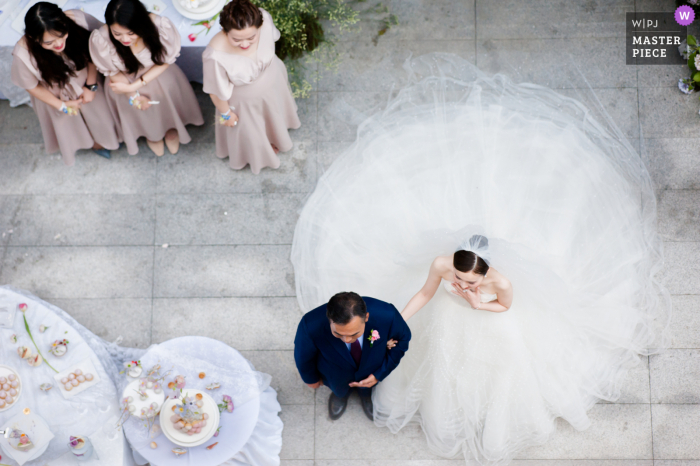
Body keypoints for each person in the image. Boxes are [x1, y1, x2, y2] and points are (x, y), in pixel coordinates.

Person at [290, 54, 670, 463]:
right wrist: (400, 317)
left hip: (487, 318)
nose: (462, 281)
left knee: (501, 362)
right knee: (431, 357)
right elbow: (425, 293)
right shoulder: (441, 264)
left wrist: (477, 302)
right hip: (445, 315)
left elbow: (504, 306)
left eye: (470, 279)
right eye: (460, 275)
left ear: (485, 272)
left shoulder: (500, 282)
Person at [89, 0, 203, 156]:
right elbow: (113, 72)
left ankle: (171, 129)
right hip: (123, 81)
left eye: (131, 33)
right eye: (117, 33)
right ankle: (153, 136)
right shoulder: (102, 39)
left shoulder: (159, 26)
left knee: (166, 104)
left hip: (157, 74)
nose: (125, 39)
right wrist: (134, 96)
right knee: (141, 111)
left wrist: (135, 86)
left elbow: (164, 62)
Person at [11, 2, 120, 165]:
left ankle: (106, 139)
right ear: (34, 38)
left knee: (100, 114)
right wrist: (61, 105)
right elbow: (31, 86)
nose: (58, 44)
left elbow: (94, 49)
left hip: (85, 77)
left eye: (61, 35)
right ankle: (90, 144)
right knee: (69, 124)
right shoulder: (23, 53)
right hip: (53, 92)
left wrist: (91, 85)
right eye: (48, 43)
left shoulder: (78, 20)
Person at [202, 0, 301, 173]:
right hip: (244, 101)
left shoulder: (265, 18)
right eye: (237, 39)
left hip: (273, 79)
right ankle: (260, 151)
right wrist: (226, 115)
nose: (245, 44)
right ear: (225, 31)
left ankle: (275, 134)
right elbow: (215, 91)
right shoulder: (215, 56)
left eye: (251, 37)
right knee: (251, 130)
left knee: (275, 114)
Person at [294, 292, 411, 421]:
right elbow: (303, 357)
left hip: (371, 369)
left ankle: (366, 395)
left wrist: (379, 374)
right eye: (338, 334)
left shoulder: (387, 315)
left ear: (366, 317)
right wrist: (311, 380)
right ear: (329, 319)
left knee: (368, 389)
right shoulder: (309, 325)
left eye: (354, 334)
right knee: (338, 389)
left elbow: (403, 340)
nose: (347, 340)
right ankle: (340, 396)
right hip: (335, 374)